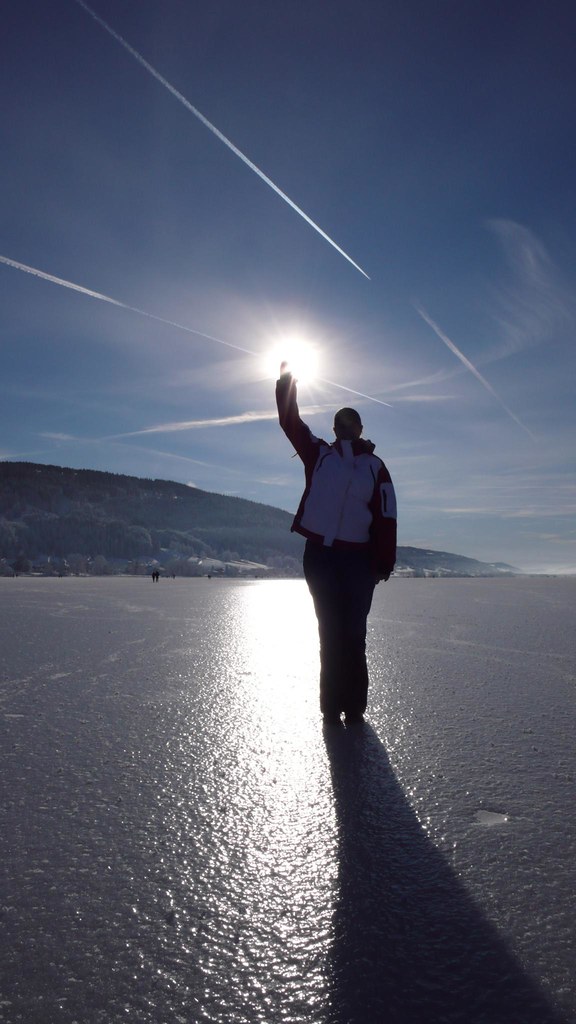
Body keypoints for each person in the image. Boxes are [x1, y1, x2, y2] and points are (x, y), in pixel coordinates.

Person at [276, 363, 397, 725]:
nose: (344, 429)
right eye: (339, 424)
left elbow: (386, 515)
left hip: (359, 561)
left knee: (354, 634)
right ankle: (331, 708)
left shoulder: (375, 467)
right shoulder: (319, 456)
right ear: (333, 430)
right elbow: (291, 424)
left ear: (360, 428)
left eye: (350, 423)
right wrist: (286, 386)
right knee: (329, 632)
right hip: (321, 558)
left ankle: (354, 709)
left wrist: (383, 562)